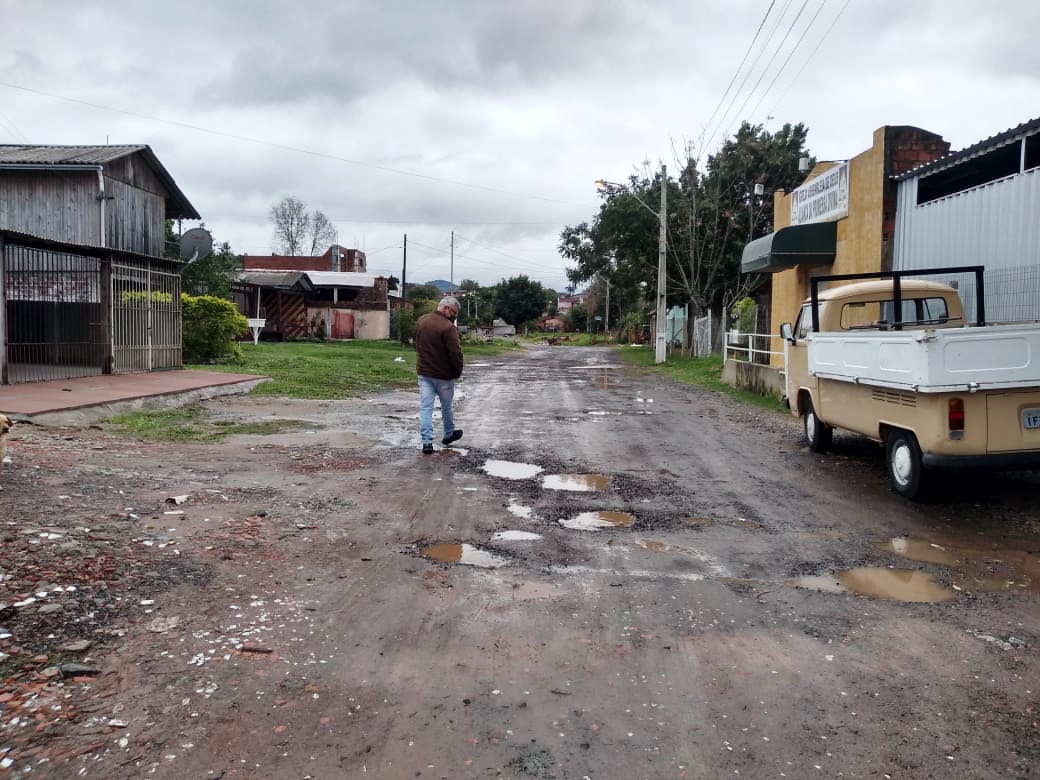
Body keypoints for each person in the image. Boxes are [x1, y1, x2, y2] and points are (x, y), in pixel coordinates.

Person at [414, 295, 464, 454]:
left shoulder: (422, 321)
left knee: (426, 408)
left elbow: (417, 345)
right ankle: (449, 434)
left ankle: (427, 443)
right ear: (446, 308)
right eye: (454, 313)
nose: (454, 317)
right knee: (446, 407)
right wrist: (457, 371)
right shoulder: (448, 328)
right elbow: (455, 354)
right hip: (444, 376)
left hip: (424, 373)